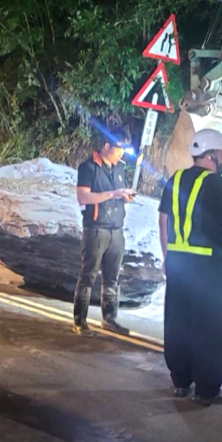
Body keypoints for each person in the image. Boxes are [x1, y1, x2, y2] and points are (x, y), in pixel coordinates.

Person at [157, 129, 222, 405]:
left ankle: (181, 381)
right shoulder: (219, 185)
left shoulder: (175, 179)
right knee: (209, 325)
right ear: (211, 155)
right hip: (206, 264)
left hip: (177, 262)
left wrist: (167, 257)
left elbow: (163, 221)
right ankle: (207, 389)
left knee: (178, 322)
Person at [74, 126, 137, 337]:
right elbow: (83, 197)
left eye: (124, 150)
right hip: (95, 229)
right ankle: (80, 321)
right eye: (119, 148)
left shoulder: (119, 168)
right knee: (88, 276)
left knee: (112, 278)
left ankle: (110, 319)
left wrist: (124, 195)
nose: (121, 153)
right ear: (107, 145)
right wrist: (113, 194)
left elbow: (118, 193)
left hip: (116, 230)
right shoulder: (88, 167)